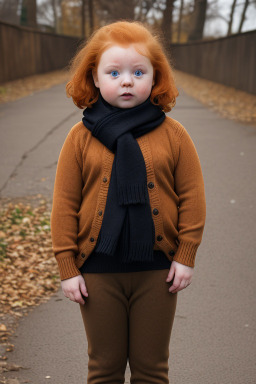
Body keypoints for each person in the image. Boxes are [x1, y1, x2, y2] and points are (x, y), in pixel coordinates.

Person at [50, 20, 206, 384]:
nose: (126, 80)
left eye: (139, 71)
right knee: (104, 369)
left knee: (152, 370)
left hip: (158, 271)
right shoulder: (79, 138)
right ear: (94, 77)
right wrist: (67, 266)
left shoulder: (175, 135)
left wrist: (185, 256)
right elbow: (64, 204)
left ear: (156, 77)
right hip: (98, 272)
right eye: (114, 71)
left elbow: (193, 198)